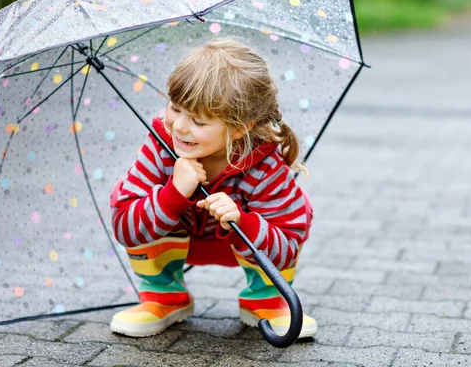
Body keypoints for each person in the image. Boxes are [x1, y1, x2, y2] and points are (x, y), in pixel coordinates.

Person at [109, 37, 317, 338]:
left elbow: (286, 246)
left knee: (293, 213)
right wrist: (171, 194)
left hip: (237, 245)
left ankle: (267, 300)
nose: (179, 126)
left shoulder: (265, 167)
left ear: (239, 126)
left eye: (198, 121)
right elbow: (124, 227)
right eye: (175, 108)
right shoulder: (160, 147)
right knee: (136, 201)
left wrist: (242, 222)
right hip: (178, 237)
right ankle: (163, 295)